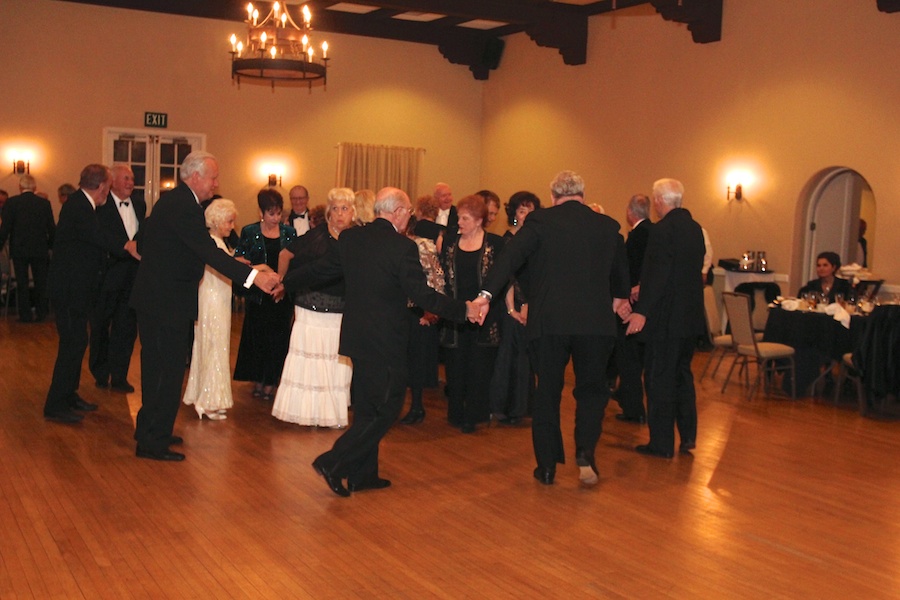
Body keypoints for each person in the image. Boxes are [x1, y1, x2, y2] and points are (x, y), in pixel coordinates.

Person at [283, 187, 482, 497]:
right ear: (399, 213)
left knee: (366, 409)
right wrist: (464, 310)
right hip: (386, 342)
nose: (409, 219)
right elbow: (423, 296)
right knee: (386, 410)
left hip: (357, 339)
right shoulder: (402, 248)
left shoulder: (351, 239)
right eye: (408, 214)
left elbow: (319, 270)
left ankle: (364, 476)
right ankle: (333, 461)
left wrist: (283, 282)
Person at [476, 171, 629, 487]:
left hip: (549, 322)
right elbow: (620, 278)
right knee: (591, 391)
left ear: (553, 196)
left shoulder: (539, 222)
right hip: (595, 323)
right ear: (583, 196)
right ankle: (585, 450)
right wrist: (619, 300)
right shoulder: (608, 226)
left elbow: (509, 259)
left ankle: (546, 466)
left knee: (547, 391)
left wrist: (486, 295)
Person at [131, 151, 281, 461]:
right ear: (195, 176)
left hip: (161, 300)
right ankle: (152, 441)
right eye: (213, 177)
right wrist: (255, 277)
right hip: (165, 303)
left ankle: (152, 429)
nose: (216, 183)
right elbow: (208, 252)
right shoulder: (184, 207)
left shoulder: (176, 202)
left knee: (160, 368)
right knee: (165, 372)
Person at [43, 164, 139, 424]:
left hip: (76, 289)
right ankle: (55, 404)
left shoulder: (82, 204)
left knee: (77, 343)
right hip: (69, 290)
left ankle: (69, 395)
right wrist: (127, 246)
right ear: (102, 187)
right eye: (107, 187)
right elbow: (99, 237)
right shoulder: (79, 207)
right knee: (72, 345)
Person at [624, 178, 706, 459]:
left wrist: (641, 310)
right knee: (683, 377)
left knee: (659, 380)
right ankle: (688, 437)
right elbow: (680, 274)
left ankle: (661, 444)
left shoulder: (662, 231)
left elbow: (659, 276)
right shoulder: (695, 229)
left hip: (665, 321)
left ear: (659, 201)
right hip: (690, 319)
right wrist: (642, 286)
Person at [273, 188, 356, 428]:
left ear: (353, 212)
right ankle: (302, 412)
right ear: (329, 212)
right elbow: (285, 254)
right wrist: (281, 282)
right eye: (336, 208)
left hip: (341, 310)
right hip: (310, 307)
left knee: (335, 361)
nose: (340, 214)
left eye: (345, 208)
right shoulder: (316, 235)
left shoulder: (356, 238)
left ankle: (330, 414)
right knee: (308, 361)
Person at [440, 195, 504, 433]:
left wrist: (513, 307)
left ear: (479, 220)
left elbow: (504, 279)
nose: (460, 222)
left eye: (465, 218)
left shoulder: (495, 244)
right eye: (459, 218)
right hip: (456, 314)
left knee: (480, 368)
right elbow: (442, 278)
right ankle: (456, 412)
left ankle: (474, 415)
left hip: (484, 316)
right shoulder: (449, 243)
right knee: (455, 367)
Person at [233, 189, 297, 401]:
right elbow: (240, 261)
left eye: (279, 213)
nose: (275, 218)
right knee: (258, 339)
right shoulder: (249, 231)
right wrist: (260, 270)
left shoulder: (289, 233)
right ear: (261, 212)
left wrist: (283, 282)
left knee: (278, 340)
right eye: (271, 214)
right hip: (258, 296)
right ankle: (258, 379)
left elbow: (295, 263)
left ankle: (271, 381)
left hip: (280, 296)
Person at [89, 165, 145, 392]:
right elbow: (99, 238)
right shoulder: (101, 206)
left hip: (133, 278)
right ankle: (101, 372)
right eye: (125, 178)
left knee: (127, 328)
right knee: (101, 325)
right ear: (112, 182)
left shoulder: (140, 204)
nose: (130, 183)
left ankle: (120, 376)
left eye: (132, 179)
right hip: (107, 275)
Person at [182, 199, 239, 420]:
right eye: (229, 221)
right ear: (216, 221)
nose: (232, 226)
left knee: (212, 345)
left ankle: (204, 396)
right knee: (214, 345)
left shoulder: (215, 242)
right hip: (213, 299)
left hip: (217, 297)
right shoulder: (213, 243)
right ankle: (208, 400)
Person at [489, 191, 541, 426]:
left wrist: (529, 305)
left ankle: (522, 407)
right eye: (521, 210)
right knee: (507, 355)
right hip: (509, 305)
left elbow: (537, 277)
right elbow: (507, 277)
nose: (526, 214)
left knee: (525, 357)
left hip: (530, 306)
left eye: (530, 210)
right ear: (514, 214)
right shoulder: (506, 240)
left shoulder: (537, 242)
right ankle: (503, 407)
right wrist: (512, 309)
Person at [399, 214, 445, 425]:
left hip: (417, 309)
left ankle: (417, 406)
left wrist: (430, 310)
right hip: (397, 309)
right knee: (401, 360)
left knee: (416, 360)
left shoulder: (423, 245)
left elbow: (436, 278)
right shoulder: (394, 243)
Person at [613, 193, 653, 424]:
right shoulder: (654, 232)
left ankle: (633, 407)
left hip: (631, 306)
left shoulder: (637, 236)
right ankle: (629, 399)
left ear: (630, 212)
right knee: (636, 358)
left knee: (627, 358)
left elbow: (627, 271)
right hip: (645, 306)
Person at [0, 174, 56, 322]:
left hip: (19, 249)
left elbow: (5, 228)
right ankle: (41, 313)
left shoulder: (12, 203)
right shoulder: (44, 204)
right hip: (39, 248)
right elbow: (51, 228)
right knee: (40, 282)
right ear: (34, 187)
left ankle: (25, 315)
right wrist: (51, 246)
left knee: (22, 283)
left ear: (20, 187)